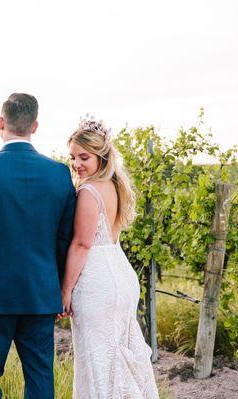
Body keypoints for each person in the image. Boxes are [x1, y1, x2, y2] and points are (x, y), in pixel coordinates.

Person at [0, 93, 76, 399]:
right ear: (35, 126)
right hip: (39, 295)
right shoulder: (60, 174)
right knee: (40, 375)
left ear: (1, 123)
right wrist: (58, 287)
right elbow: (65, 240)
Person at [59, 119, 160, 398]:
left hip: (97, 283)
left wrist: (65, 290)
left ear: (100, 156)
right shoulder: (114, 185)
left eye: (84, 157)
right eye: (72, 157)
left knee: (98, 362)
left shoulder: (88, 191)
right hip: (121, 276)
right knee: (118, 356)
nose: (77, 164)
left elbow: (81, 244)